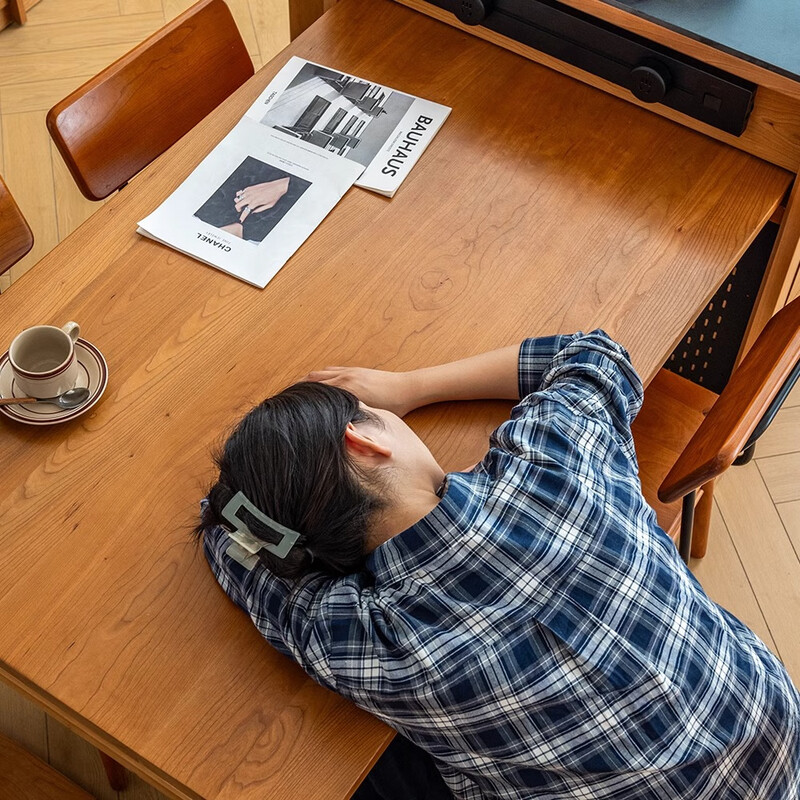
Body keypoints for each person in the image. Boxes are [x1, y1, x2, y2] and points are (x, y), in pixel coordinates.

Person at [196, 330, 800, 799]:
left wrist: (263, 508)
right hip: (774, 744)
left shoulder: (362, 643)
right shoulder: (555, 462)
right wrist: (411, 385)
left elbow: (232, 546)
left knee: (367, 756)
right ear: (367, 440)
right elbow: (596, 356)